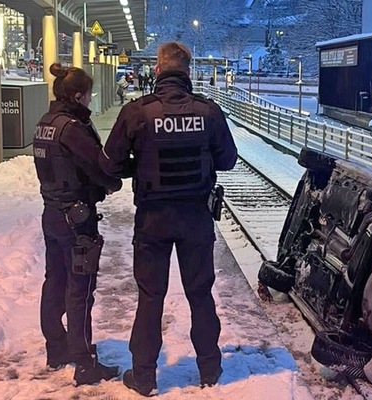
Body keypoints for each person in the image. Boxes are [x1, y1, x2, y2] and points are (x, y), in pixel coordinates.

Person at [99, 41, 237, 397]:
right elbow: (227, 161)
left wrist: (139, 166)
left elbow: (110, 164)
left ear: (158, 70)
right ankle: (210, 368)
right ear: (188, 72)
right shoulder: (208, 112)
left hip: (153, 220)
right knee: (200, 294)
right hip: (196, 218)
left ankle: (144, 376)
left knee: (150, 297)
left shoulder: (137, 112)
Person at [33, 63, 123, 386]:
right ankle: (85, 364)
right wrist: (113, 182)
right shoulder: (72, 128)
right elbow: (101, 168)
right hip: (77, 219)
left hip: (52, 214)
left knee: (54, 281)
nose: (89, 100)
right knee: (80, 290)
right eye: (88, 94)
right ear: (76, 95)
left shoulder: (47, 123)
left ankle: (57, 349)